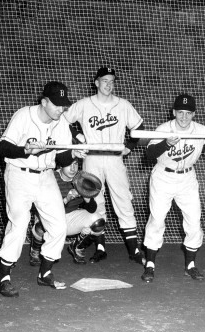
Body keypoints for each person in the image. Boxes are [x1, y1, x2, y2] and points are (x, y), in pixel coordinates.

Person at [0, 81, 87, 297]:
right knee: (19, 222)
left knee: (58, 224)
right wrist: (25, 150)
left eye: (64, 105)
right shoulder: (23, 115)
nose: (61, 109)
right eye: (56, 104)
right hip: (19, 174)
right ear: (44, 102)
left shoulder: (60, 122)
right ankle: (3, 278)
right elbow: (2, 147)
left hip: (45, 176)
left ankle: (45, 274)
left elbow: (62, 158)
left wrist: (75, 153)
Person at [141, 94, 205, 282]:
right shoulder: (164, 129)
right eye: (180, 112)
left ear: (194, 114)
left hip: (187, 179)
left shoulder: (200, 130)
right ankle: (150, 265)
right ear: (174, 112)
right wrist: (166, 143)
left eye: (188, 113)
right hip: (163, 177)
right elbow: (149, 154)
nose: (184, 117)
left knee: (193, 221)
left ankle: (190, 265)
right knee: (157, 219)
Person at [63, 67, 146, 265]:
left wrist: (129, 146)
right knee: (95, 202)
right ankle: (100, 248)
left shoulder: (123, 105)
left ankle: (134, 250)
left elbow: (139, 127)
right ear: (96, 82)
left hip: (114, 158)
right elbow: (62, 121)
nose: (108, 84)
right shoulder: (84, 104)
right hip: (92, 158)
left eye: (112, 81)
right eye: (105, 80)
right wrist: (77, 138)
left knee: (123, 200)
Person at [0, 159, 105, 270]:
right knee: (40, 227)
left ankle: (77, 247)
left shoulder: (81, 180)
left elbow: (92, 209)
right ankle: (35, 251)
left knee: (98, 221)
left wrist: (86, 196)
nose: (73, 168)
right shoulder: (51, 178)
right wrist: (67, 199)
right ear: (61, 164)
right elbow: (45, 208)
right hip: (47, 217)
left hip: (70, 218)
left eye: (76, 164)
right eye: (69, 164)